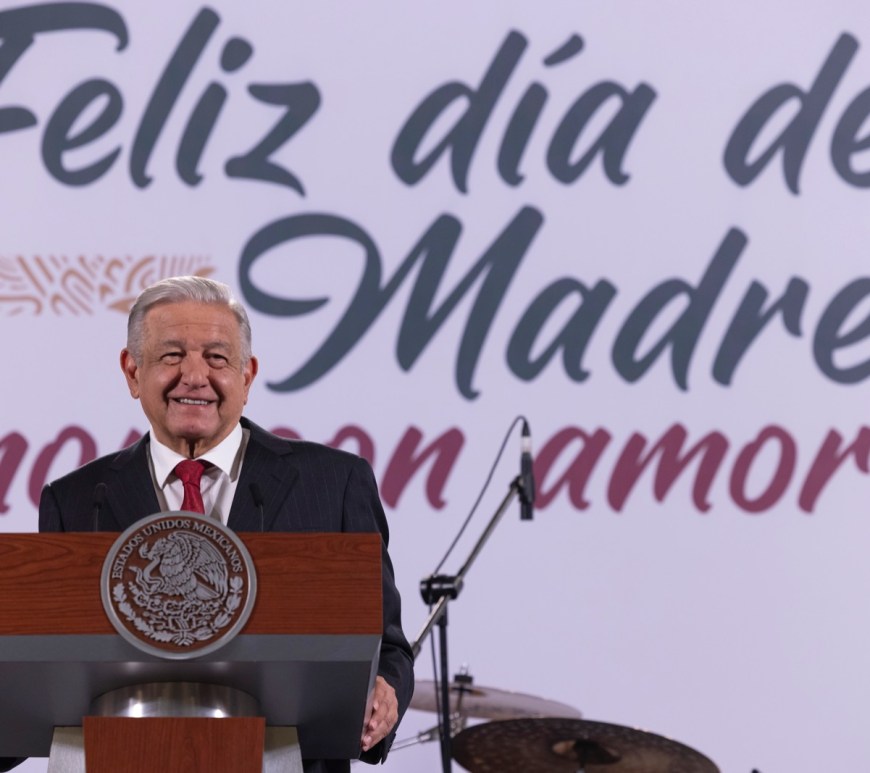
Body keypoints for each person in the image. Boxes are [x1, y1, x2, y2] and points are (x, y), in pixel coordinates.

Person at [34, 275, 415, 773]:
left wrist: (385, 691)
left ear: (247, 376)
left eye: (217, 358)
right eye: (172, 355)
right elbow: (45, 662)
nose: (195, 376)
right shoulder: (78, 500)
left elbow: (387, 646)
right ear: (132, 371)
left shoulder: (333, 482)